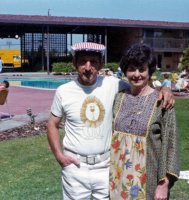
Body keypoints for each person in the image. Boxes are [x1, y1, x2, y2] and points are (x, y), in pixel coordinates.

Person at [47, 42, 174, 200]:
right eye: (82, 61)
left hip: (107, 167)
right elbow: (52, 124)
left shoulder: (113, 85)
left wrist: (165, 89)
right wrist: (59, 155)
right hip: (75, 167)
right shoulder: (63, 91)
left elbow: (141, 84)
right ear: (74, 63)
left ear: (100, 64)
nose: (88, 67)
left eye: (93, 62)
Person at [109, 43, 179, 200]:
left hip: (149, 181)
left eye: (142, 69)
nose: (136, 74)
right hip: (118, 179)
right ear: (125, 71)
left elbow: (171, 145)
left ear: (149, 71)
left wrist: (164, 184)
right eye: (131, 69)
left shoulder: (163, 102)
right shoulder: (119, 98)